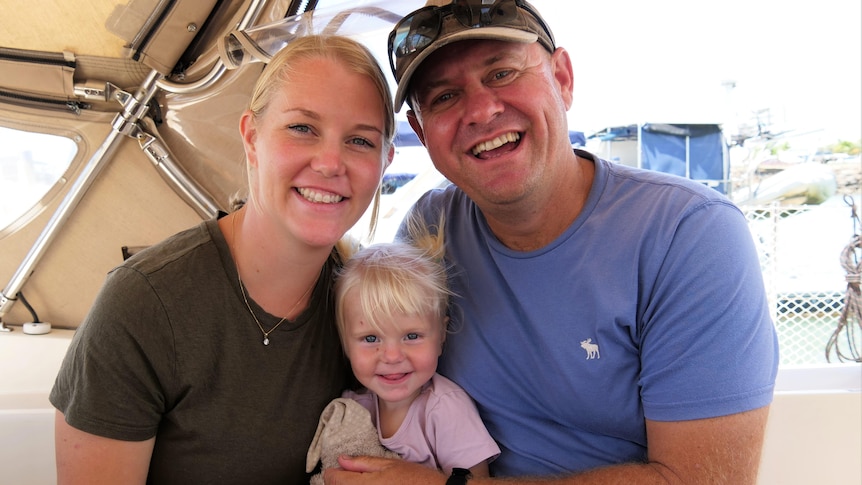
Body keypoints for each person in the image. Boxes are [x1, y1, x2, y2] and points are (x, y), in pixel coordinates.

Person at [325, 1, 779, 484]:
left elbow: (700, 480)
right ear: (420, 132)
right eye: (443, 97)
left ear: (562, 78)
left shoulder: (689, 235)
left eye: (501, 72)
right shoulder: (431, 228)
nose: (481, 110)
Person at [50, 34, 395, 485]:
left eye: (360, 141)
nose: (331, 162)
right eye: (302, 128)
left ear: (386, 161)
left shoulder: (369, 313)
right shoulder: (144, 305)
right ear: (252, 137)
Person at [330, 217, 500, 477]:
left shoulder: (444, 409)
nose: (392, 356)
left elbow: (476, 482)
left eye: (411, 336)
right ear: (345, 343)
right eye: (371, 338)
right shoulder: (353, 408)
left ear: (441, 335)